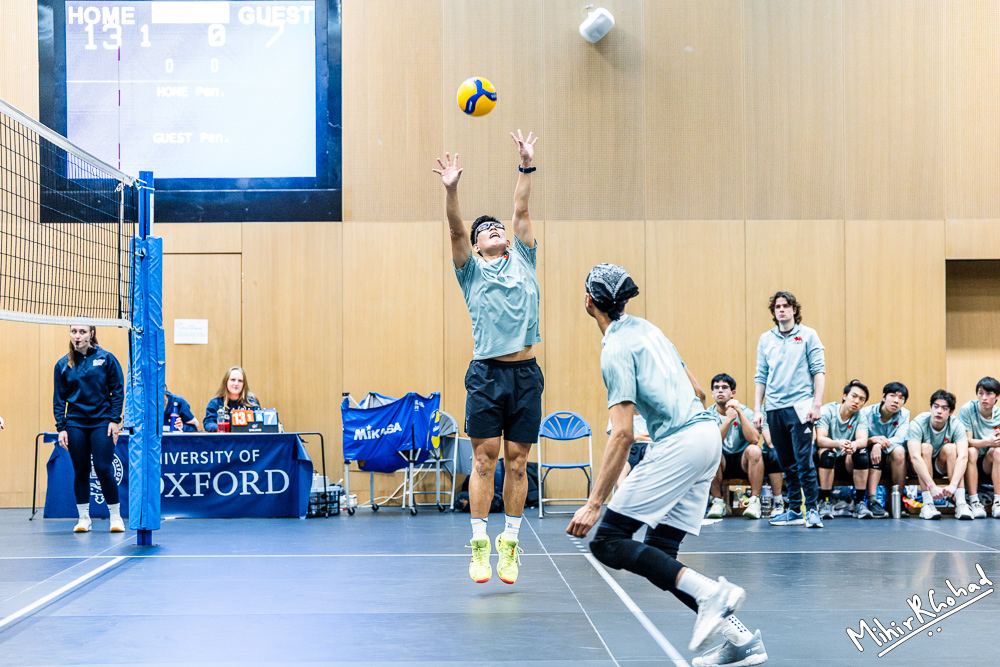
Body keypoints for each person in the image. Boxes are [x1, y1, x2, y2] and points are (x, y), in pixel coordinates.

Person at [568, 264, 766, 665]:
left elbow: (622, 434)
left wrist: (594, 503)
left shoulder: (614, 349)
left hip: (680, 444)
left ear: (588, 302)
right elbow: (696, 389)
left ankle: (713, 593)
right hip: (707, 437)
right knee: (661, 551)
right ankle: (740, 640)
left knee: (608, 542)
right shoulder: (649, 328)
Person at [433, 130, 542, 585]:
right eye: (483, 232)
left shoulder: (525, 258)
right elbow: (456, 227)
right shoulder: (470, 270)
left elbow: (520, 209)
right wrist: (452, 189)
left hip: (526, 373)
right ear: (476, 247)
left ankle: (510, 544)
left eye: (495, 227)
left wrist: (525, 164)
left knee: (517, 461)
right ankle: (479, 544)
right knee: (484, 459)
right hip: (485, 374)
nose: (491, 230)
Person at [752, 291, 826, 528]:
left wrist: (817, 403)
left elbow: (819, 371)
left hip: (801, 408)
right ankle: (794, 510)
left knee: (804, 461)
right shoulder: (766, 339)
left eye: (786, 306)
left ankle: (812, 510)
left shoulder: (808, 335)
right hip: (774, 408)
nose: (781, 310)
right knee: (786, 462)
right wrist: (757, 409)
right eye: (777, 307)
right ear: (773, 312)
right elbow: (760, 376)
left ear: (794, 309)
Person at [53, 324, 125, 533]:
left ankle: (116, 517)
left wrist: (115, 420)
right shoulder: (62, 365)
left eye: (82, 332)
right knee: (81, 469)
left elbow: (118, 390)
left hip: (102, 421)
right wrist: (61, 427)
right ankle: (84, 518)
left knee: (103, 468)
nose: (77, 336)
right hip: (75, 422)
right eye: (74, 331)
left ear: (91, 334)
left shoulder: (106, 358)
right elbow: (59, 399)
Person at [704, 374, 779, 520]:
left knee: (754, 450)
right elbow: (713, 442)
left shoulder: (746, 411)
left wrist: (739, 413)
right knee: (711, 452)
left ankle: (754, 502)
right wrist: (729, 419)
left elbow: (754, 439)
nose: (720, 391)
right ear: (712, 393)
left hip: (743, 462)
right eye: (716, 388)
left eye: (724, 387)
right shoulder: (707, 415)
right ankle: (718, 502)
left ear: (732, 393)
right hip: (721, 463)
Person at [906, 390, 971, 520]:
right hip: (917, 467)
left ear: (951, 412)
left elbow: (963, 456)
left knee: (952, 448)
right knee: (925, 447)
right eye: (936, 407)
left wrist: (953, 484)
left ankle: (960, 502)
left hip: (939, 466)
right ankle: (927, 503)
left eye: (944, 408)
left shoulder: (956, 425)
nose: (939, 411)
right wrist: (932, 486)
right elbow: (914, 457)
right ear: (930, 408)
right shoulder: (918, 423)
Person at [815, 381, 872, 519]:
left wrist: (853, 445)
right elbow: (820, 439)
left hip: (847, 460)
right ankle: (825, 501)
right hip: (827, 458)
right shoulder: (827, 411)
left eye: (861, 399)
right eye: (854, 396)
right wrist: (837, 443)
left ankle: (859, 502)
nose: (857, 401)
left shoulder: (860, 417)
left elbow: (863, 440)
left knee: (862, 453)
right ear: (845, 396)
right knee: (827, 453)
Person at [859, 382, 910, 517]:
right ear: (883, 397)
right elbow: (859, 436)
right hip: (868, 453)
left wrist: (880, 444)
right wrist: (872, 442)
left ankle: (897, 500)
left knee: (899, 451)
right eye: (892, 396)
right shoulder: (866, 413)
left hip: (889, 453)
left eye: (901, 398)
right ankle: (872, 500)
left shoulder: (904, 414)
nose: (896, 400)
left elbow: (901, 438)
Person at [956, 377, 1000, 519]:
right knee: (971, 451)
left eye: (989, 394)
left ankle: (997, 503)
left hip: (991, 462)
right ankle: (974, 500)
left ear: (997, 396)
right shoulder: (968, 409)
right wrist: (988, 441)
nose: (984, 398)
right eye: (981, 393)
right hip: (972, 461)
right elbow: (966, 441)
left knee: (998, 451)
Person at [204, 366, 260, 432]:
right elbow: (208, 423)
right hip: (223, 440)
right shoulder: (215, 402)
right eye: (233, 380)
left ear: (244, 384)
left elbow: (259, 425)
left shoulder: (252, 403)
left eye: (240, 381)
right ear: (226, 382)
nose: (236, 384)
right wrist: (226, 428)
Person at [609, 406, 653, 490]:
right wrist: (639, 436)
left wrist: (637, 437)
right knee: (621, 469)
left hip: (649, 445)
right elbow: (617, 437)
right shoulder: (619, 414)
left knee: (651, 457)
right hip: (629, 447)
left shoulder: (651, 413)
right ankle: (624, 495)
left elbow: (657, 437)